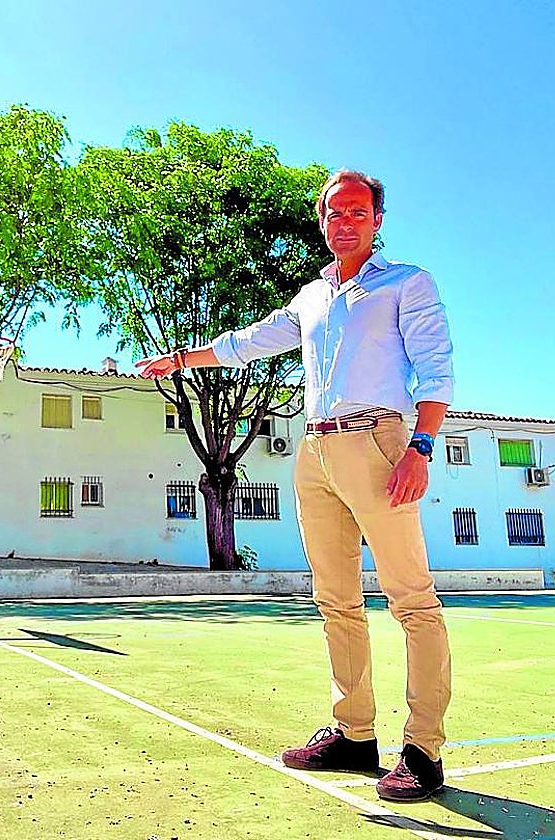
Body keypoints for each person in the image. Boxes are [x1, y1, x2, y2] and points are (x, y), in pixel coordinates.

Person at [136, 170, 453, 802]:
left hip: (381, 442)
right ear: (322, 220)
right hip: (315, 449)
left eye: (358, 212)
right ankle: (355, 733)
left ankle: (422, 750)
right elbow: (249, 342)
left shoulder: (406, 283)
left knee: (410, 599)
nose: (345, 222)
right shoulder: (311, 296)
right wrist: (180, 360)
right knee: (335, 598)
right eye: (335, 213)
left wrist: (420, 447)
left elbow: (436, 367)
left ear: (377, 219)